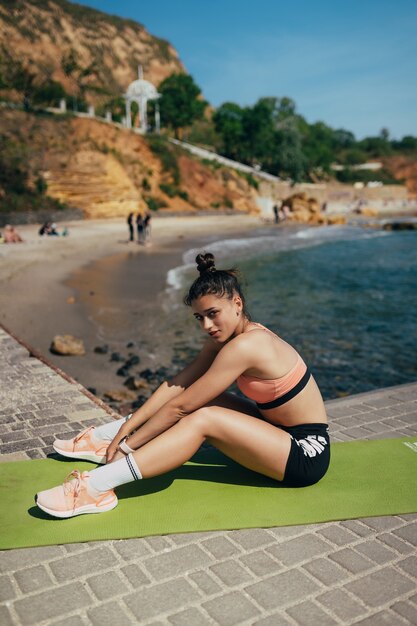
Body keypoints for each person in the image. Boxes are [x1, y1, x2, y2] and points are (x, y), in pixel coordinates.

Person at [36, 252, 330, 518]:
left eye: (213, 314)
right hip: (275, 431)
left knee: (202, 417)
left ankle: (96, 488)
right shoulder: (231, 337)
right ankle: (103, 440)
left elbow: (181, 408)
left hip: (305, 453)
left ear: (237, 304)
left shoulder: (248, 345)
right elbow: (178, 385)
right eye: (199, 318)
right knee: (199, 400)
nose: (207, 326)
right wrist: (126, 427)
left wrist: (128, 447)